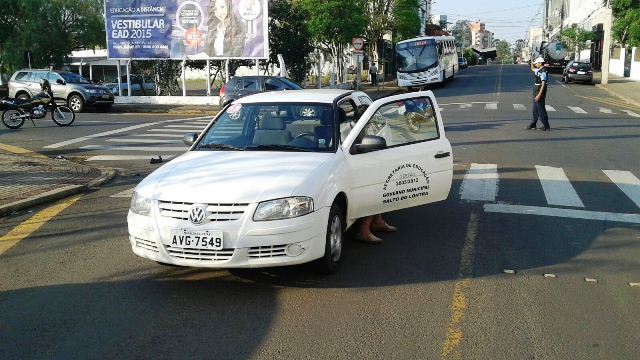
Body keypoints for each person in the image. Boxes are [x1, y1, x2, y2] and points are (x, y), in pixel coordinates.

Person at [349, 102, 397, 244]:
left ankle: (378, 221)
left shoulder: (362, 128)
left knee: (382, 184)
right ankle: (364, 230)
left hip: (365, 166)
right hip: (354, 170)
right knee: (375, 193)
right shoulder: (352, 129)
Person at [527, 56, 551, 131]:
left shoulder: (543, 71)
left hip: (539, 91)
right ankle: (533, 124)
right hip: (536, 90)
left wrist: (539, 95)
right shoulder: (539, 69)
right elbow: (532, 69)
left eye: (536, 63)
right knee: (535, 109)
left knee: (541, 109)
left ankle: (546, 126)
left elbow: (543, 84)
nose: (535, 64)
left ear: (540, 63)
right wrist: (531, 61)